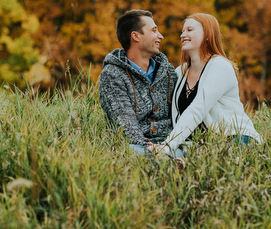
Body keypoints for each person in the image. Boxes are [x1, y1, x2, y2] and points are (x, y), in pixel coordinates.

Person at [152, 13, 261, 158]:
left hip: (236, 138)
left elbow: (197, 109)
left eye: (190, 30)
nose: (183, 34)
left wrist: (168, 145)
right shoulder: (180, 72)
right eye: (182, 31)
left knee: (220, 166)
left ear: (208, 35)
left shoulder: (219, 66)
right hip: (199, 146)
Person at [99, 10, 180, 156]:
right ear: (135, 36)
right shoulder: (112, 75)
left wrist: (166, 147)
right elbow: (124, 123)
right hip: (134, 146)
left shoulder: (168, 71)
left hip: (169, 145)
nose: (160, 36)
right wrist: (150, 149)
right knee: (134, 153)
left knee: (180, 154)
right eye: (154, 30)